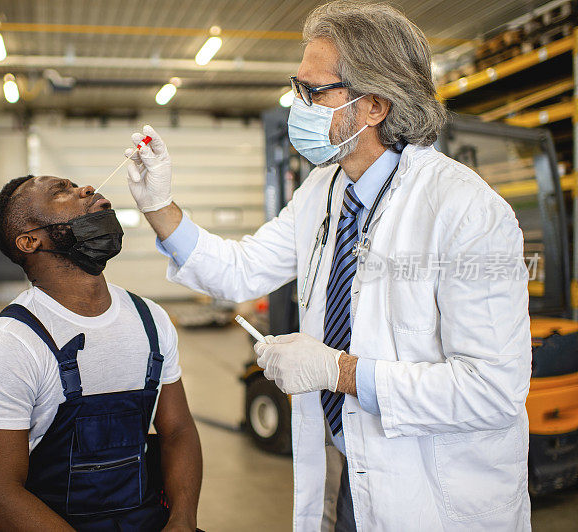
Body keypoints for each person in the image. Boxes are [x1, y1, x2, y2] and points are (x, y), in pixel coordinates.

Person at [124, 2, 531, 531]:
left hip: (435, 494)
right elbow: (242, 270)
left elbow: (492, 390)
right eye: (299, 88)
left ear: (376, 106)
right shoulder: (325, 189)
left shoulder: (466, 210)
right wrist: (159, 207)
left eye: (314, 93)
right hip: (346, 472)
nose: (300, 106)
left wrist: (338, 372)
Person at [0, 174, 202, 531]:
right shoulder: (9, 345)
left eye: (76, 185)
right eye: (61, 191)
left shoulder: (151, 319)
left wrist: (181, 521)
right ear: (29, 241)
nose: (86, 189)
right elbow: (0, 497)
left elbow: (178, 431)